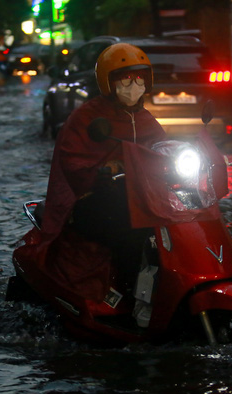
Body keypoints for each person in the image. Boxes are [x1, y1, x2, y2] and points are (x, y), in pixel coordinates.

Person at [40, 43, 167, 294]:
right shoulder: (86, 117)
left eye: (140, 78)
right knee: (130, 234)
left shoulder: (145, 119)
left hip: (143, 198)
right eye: (126, 80)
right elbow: (72, 161)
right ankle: (126, 293)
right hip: (94, 199)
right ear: (109, 82)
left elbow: (161, 148)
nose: (134, 86)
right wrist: (102, 170)